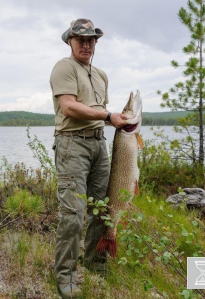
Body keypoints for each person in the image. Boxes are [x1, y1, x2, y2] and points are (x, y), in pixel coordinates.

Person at [49, 18, 127, 298]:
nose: (86, 44)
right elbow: (69, 108)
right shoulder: (64, 68)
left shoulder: (101, 74)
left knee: (102, 209)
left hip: (98, 145)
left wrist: (119, 121)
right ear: (70, 41)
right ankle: (65, 276)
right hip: (72, 146)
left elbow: (96, 112)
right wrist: (108, 116)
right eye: (80, 39)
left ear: (96, 43)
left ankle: (95, 265)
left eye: (91, 39)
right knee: (73, 215)